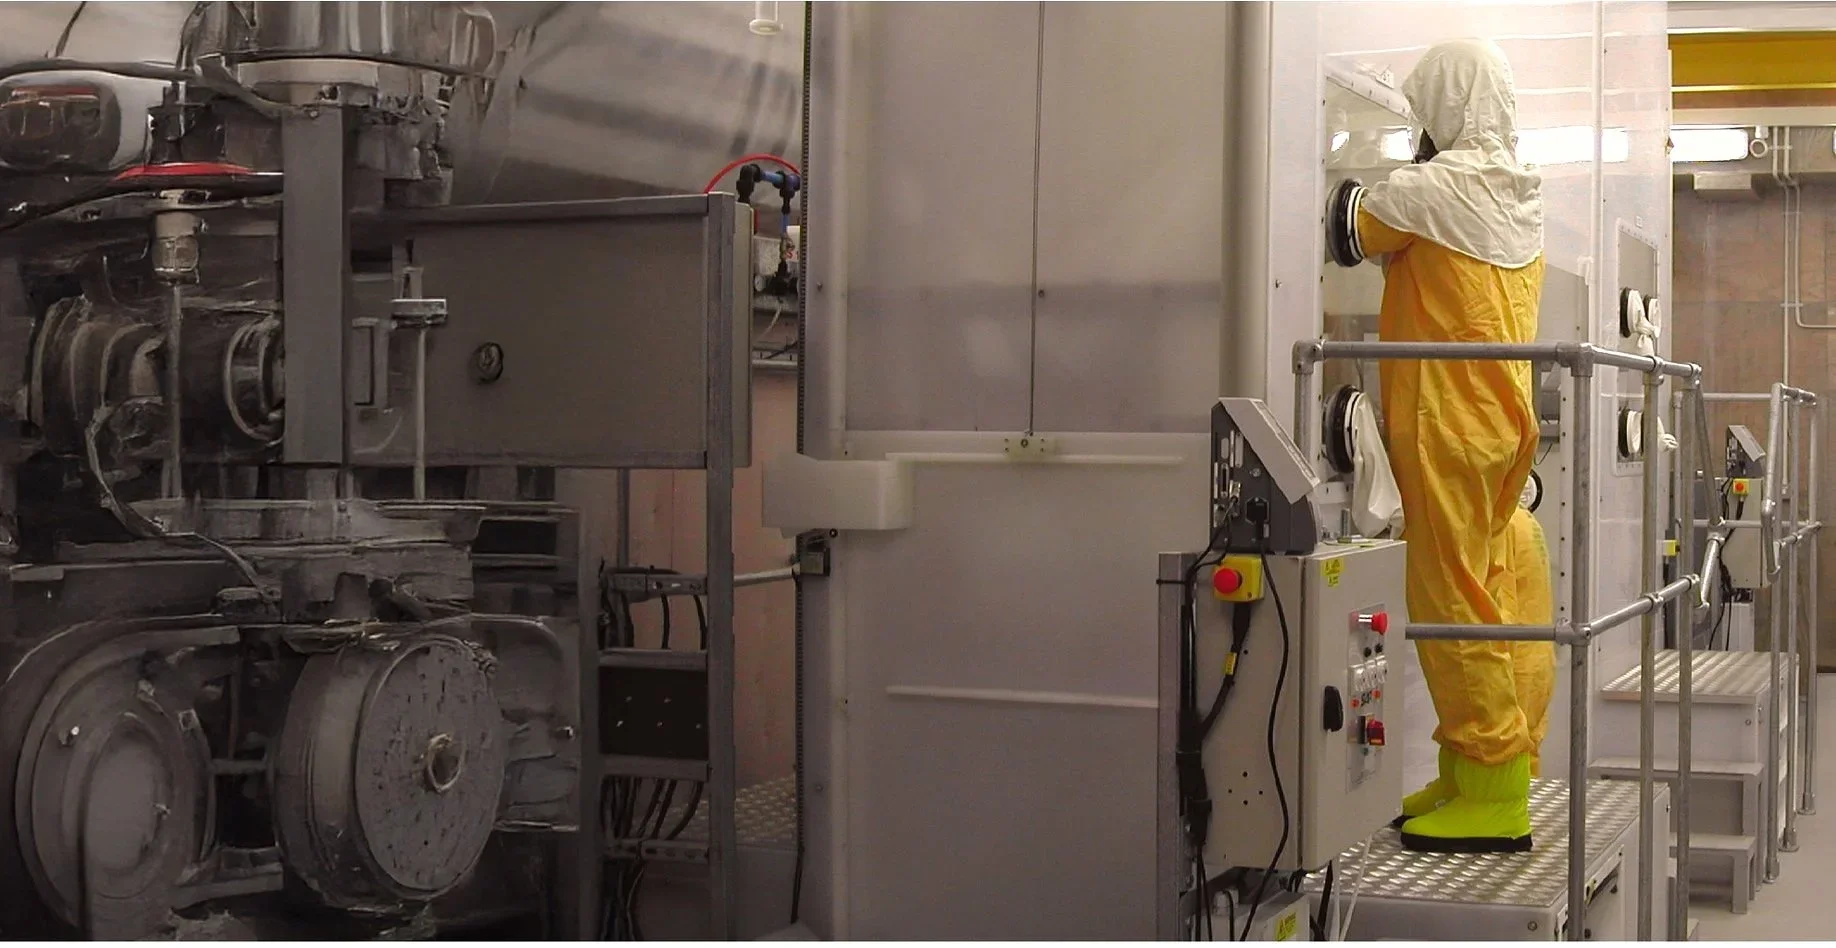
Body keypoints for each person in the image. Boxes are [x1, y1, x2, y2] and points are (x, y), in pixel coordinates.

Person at [1328, 38, 1552, 853]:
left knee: (1451, 603)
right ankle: (1482, 766)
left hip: (1446, 426)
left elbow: (1351, 224)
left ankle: (1493, 787)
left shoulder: (1435, 190)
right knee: (1497, 589)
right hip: (1503, 425)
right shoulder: (1518, 194)